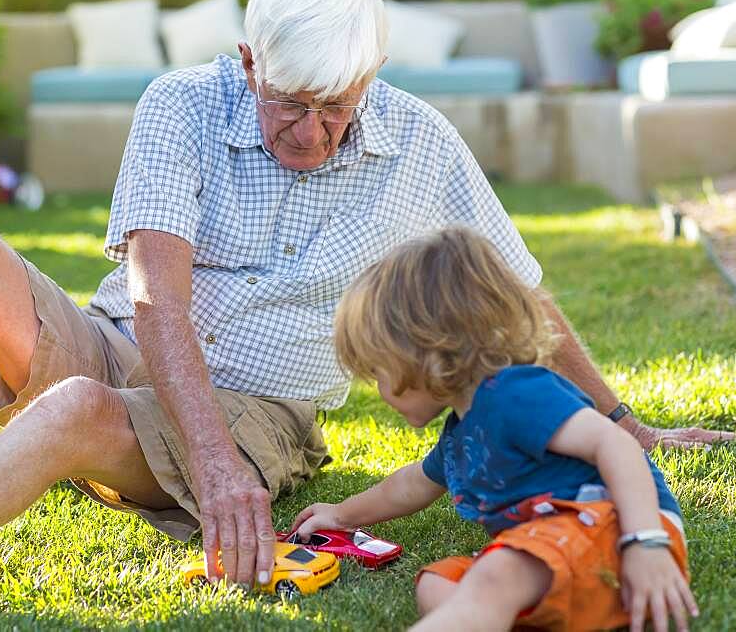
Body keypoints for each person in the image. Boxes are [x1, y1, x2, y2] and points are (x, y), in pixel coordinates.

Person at [0, 0, 732, 627]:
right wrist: (211, 474)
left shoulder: (420, 139)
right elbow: (155, 301)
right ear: (249, 62)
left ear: (372, 77)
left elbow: (525, 296)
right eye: (288, 105)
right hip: (113, 337)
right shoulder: (181, 103)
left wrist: (625, 424)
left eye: (336, 108)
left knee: (80, 411)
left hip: (259, 403)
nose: (311, 132)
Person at [291, 227, 697, 632]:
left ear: (425, 350)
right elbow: (410, 485)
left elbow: (616, 445)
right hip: (555, 553)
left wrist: (646, 542)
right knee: (436, 584)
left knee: (495, 573)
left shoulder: (515, 392)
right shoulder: (460, 433)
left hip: (620, 531)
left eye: (378, 372)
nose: (378, 391)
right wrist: (340, 515)